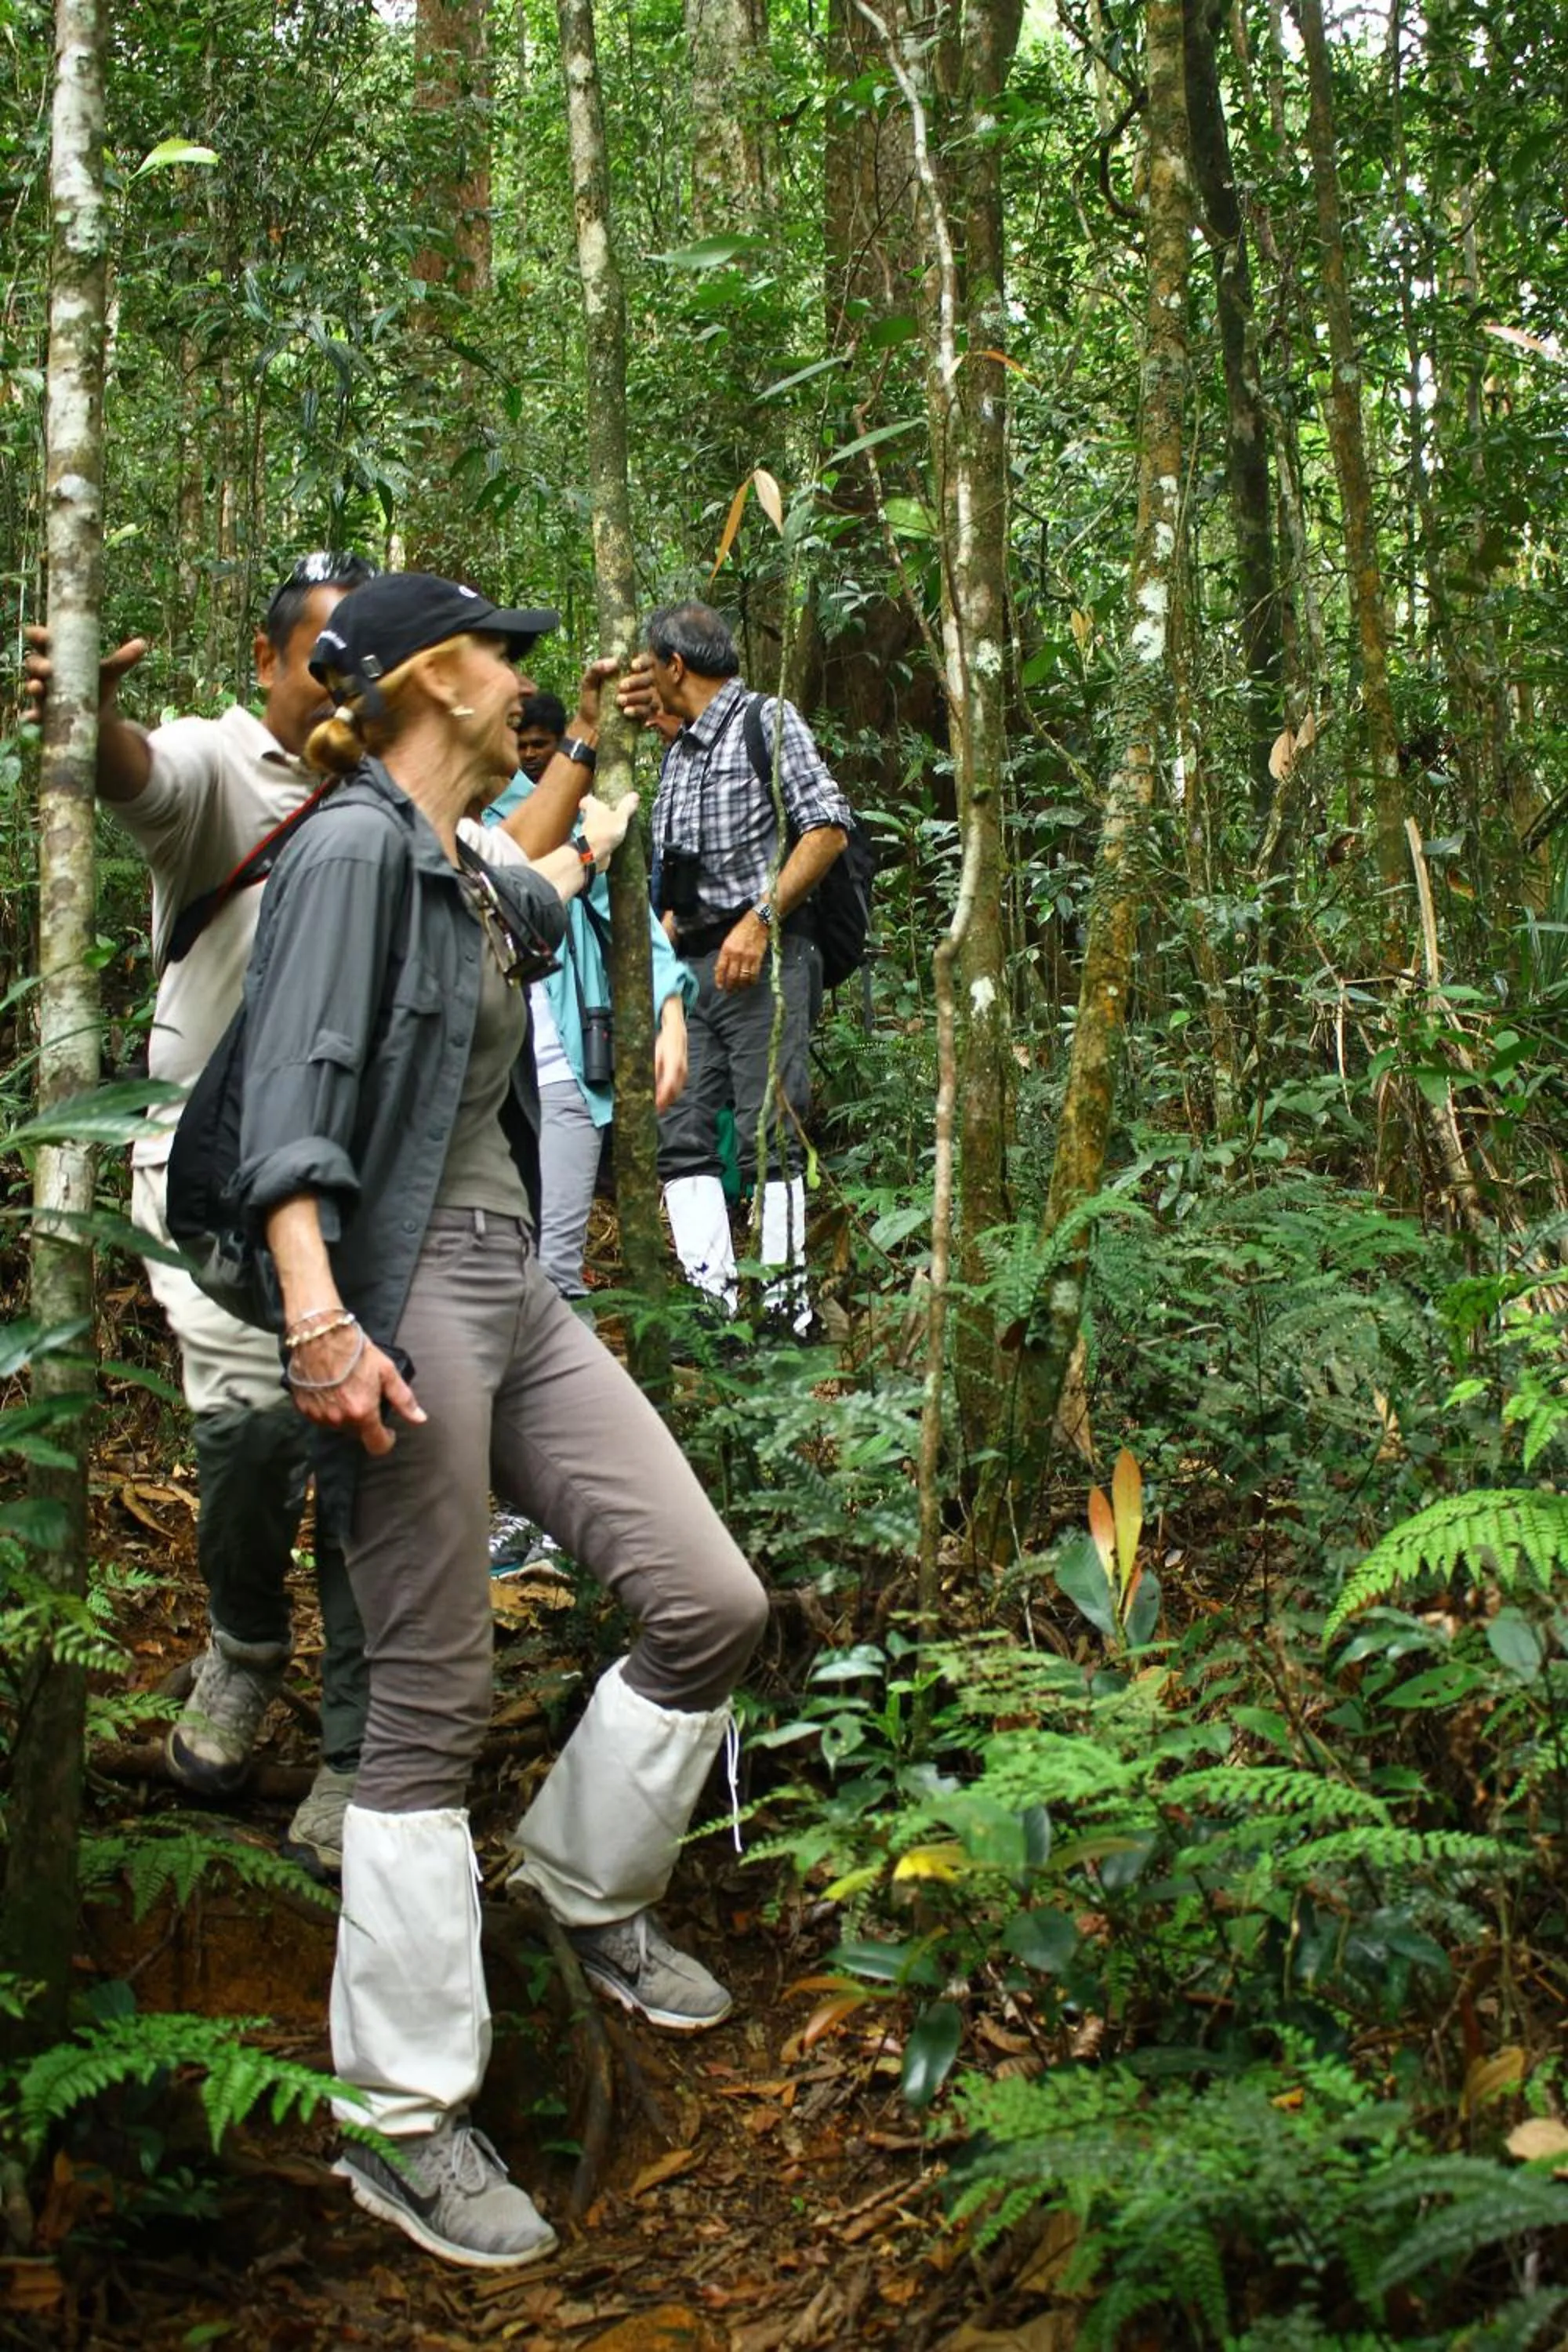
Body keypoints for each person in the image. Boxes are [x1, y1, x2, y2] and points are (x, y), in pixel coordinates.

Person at [216, 572, 768, 2269]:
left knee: (708, 1603)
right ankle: (399, 2119)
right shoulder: (344, 852)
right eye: (500, 653)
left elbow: (552, 872)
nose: (520, 672)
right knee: (431, 1700)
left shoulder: (449, 859)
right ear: (430, 678)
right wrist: (317, 1320)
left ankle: (583, 1888)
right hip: (392, 1291)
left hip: (509, 1281)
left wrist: (602, 770)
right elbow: (288, 1092)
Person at [24, 554, 378, 1875]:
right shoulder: (225, 766)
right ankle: (242, 1645)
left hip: (358, 1183)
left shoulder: (403, 791)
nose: (347, 682)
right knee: (245, 1439)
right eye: (325, 657)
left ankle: (355, 1742)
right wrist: (85, 724)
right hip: (214, 1187)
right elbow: (142, 778)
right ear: (267, 660)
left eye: (369, 659)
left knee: (360, 1449)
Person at [623, 603, 853, 1330]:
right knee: (682, 1130)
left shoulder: (767, 720)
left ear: (676, 667)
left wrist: (759, 921)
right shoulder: (678, 750)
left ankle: (786, 1312)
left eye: (649, 667)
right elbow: (675, 874)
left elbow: (826, 828)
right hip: (689, 971)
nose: (645, 682)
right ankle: (713, 1308)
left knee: (769, 1133)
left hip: (767, 958)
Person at [480, 772, 695, 1309]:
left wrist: (671, 1015)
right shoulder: (421, 820)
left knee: (552, 1272)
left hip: (557, 1069)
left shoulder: (562, 822)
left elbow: (631, 923)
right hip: (469, 1082)